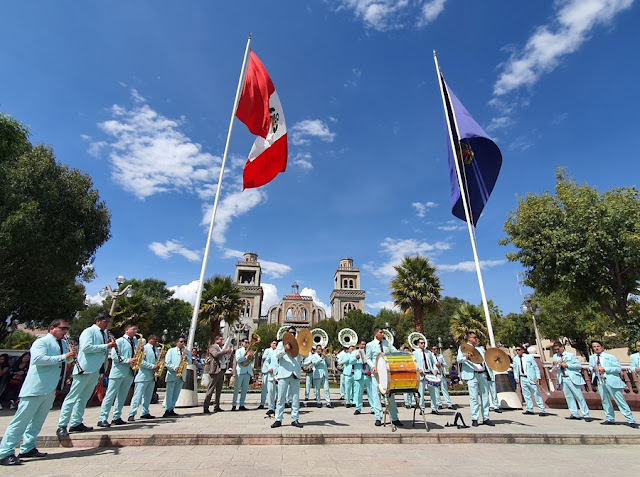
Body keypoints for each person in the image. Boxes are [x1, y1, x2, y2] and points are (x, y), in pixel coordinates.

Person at [0, 319, 75, 466]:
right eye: (63, 328)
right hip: (35, 388)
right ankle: (5, 451)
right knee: (21, 421)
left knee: (38, 421)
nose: (65, 331)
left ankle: (28, 447)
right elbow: (38, 359)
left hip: (50, 388)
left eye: (67, 328)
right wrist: (63, 357)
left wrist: (70, 357)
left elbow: (63, 363)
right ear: (52, 328)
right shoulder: (42, 342)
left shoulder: (64, 344)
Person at [57, 312, 117, 437]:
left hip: (96, 369)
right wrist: (107, 346)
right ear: (98, 321)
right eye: (105, 321)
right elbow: (86, 348)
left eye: (108, 322)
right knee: (73, 397)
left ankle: (77, 422)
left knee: (84, 398)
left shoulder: (105, 334)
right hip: (84, 369)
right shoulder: (88, 331)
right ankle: (62, 425)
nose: (107, 324)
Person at [589, 340, 638, 428]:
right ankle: (610, 418)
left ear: (602, 347)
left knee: (620, 400)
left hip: (611, 381)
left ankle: (630, 419)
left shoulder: (610, 357)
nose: (596, 348)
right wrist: (592, 369)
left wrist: (605, 369)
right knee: (605, 400)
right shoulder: (592, 357)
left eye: (598, 346)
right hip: (600, 381)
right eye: (594, 347)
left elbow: (618, 368)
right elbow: (590, 366)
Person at [97, 323, 138, 427]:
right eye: (133, 329)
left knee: (122, 396)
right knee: (110, 395)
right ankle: (102, 418)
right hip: (118, 372)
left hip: (130, 372)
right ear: (127, 330)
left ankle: (117, 416)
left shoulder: (136, 341)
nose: (135, 331)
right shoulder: (119, 341)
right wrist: (129, 360)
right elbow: (115, 357)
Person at [457, 332, 494, 427]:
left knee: (485, 396)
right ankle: (475, 418)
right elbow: (458, 359)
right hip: (472, 375)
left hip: (482, 374)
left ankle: (486, 417)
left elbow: (485, 360)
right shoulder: (463, 348)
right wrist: (466, 358)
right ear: (469, 339)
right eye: (474, 337)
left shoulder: (479, 349)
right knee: (474, 398)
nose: (476, 339)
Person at [367, 327, 402, 427]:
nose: (383, 334)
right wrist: (373, 366)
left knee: (390, 395)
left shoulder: (387, 343)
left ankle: (394, 418)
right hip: (376, 374)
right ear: (376, 334)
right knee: (376, 395)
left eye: (383, 333)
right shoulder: (370, 345)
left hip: (387, 373)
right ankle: (378, 417)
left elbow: (394, 351)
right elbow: (368, 358)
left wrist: (403, 353)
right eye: (381, 332)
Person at [271, 327, 304, 428]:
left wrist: (304, 347)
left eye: (294, 333)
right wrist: (286, 349)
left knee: (295, 397)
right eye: (291, 333)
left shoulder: (298, 344)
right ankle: (278, 419)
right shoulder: (281, 344)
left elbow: (304, 357)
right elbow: (277, 355)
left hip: (295, 373)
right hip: (283, 373)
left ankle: (295, 418)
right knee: (281, 397)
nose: (292, 335)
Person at [552, 341, 591, 421]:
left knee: (579, 396)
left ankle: (586, 414)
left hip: (571, 377)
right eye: (555, 350)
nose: (557, 351)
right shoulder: (555, 356)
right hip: (563, 377)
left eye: (558, 349)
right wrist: (555, 365)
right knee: (568, 396)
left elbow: (578, 366)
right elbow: (555, 368)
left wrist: (567, 365)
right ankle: (574, 413)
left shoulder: (570, 355)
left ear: (562, 347)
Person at [128, 334, 160, 421]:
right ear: (150, 339)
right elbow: (141, 362)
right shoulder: (144, 348)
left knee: (148, 396)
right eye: (155, 339)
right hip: (143, 376)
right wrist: (152, 366)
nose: (156, 341)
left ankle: (145, 412)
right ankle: (132, 413)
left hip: (152, 376)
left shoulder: (157, 350)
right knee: (137, 396)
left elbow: (158, 360)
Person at [513, 345, 547, 417]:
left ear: (523, 350)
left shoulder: (529, 357)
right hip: (522, 378)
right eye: (516, 350)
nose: (517, 351)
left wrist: (538, 377)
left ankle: (542, 409)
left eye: (519, 350)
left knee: (536, 393)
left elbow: (535, 367)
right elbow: (515, 369)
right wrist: (516, 377)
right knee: (526, 394)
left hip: (530, 377)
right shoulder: (515, 359)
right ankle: (529, 408)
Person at [163, 336, 192, 417]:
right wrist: (175, 368)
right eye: (181, 341)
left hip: (181, 375)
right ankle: (167, 409)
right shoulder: (171, 351)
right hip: (172, 375)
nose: (183, 343)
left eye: (184, 342)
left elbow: (190, 362)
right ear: (177, 342)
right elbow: (167, 362)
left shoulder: (187, 352)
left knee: (176, 394)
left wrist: (187, 358)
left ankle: (172, 408)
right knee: (169, 393)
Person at [203, 335, 232, 414]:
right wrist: (225, 351)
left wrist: (228, 353)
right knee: (211, 389)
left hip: (222, 370)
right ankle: (206, 406)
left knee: (219, 390)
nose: (222, 341)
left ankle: (217, 406)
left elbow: (224, 356)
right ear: (216, 340)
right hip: (215, 370)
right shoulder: (213, 347)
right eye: (221, 339)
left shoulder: (221, 348)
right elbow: (215, 355)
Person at [352, 340, 375, 415]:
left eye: (365, 344)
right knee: (358, 393)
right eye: (362, 344)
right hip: (360, 374)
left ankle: (373, 408)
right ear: (359, 345)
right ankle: (358, 408)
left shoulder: (368, 352)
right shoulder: (355, 352)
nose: (363, 346)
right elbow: (350, 361)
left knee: (371, 393)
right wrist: (356, 358)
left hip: (368, 375)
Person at [231, 338, 253, 411]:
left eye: (248, 342)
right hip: (240, 371)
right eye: (246, 342)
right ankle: (234, 405)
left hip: (247, 371)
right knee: (237, 389)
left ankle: (242, 405)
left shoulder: (250, 351)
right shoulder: (239, 351)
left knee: (244, 389)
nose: (247, 344)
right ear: (242, 343)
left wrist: (251, 357)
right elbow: (238, 360)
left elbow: (251, 362)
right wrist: (246, 357)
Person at [431, 345, 454, 410]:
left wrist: (441, 364)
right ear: (432, 350)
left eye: (436, 349)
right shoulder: (430, 356)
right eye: (434, 349)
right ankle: (440, 404)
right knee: (436, 390)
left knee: (444, 389)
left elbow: (445, 364)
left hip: (441, 374)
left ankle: (449, 404)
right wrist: (435, 367)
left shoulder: (440, 356)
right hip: (435, 375)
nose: (436, 350)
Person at [259, 340, 277, 410]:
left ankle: (273, 403)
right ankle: (262, 403)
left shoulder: (277, 351)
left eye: (276, 344)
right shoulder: (267, 350)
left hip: (273, 372)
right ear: (271, 344)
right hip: (267, 371)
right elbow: (264, 357)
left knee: (273, 389)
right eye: (273, 343)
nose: (275, 345)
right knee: (265, 388)